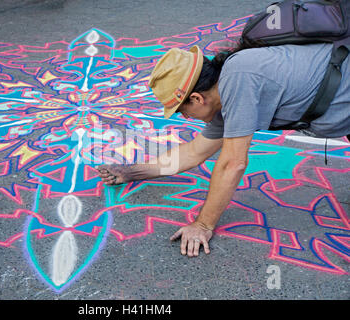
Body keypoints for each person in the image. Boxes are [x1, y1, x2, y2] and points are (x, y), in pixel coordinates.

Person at [95, 42, 350, 258]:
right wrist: (133, 172)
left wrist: (203, 224)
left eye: (182, 111)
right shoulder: (226, 88)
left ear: (196, 99)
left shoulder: (238, 83)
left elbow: (233, 163)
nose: (185, 118)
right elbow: (195, 152)